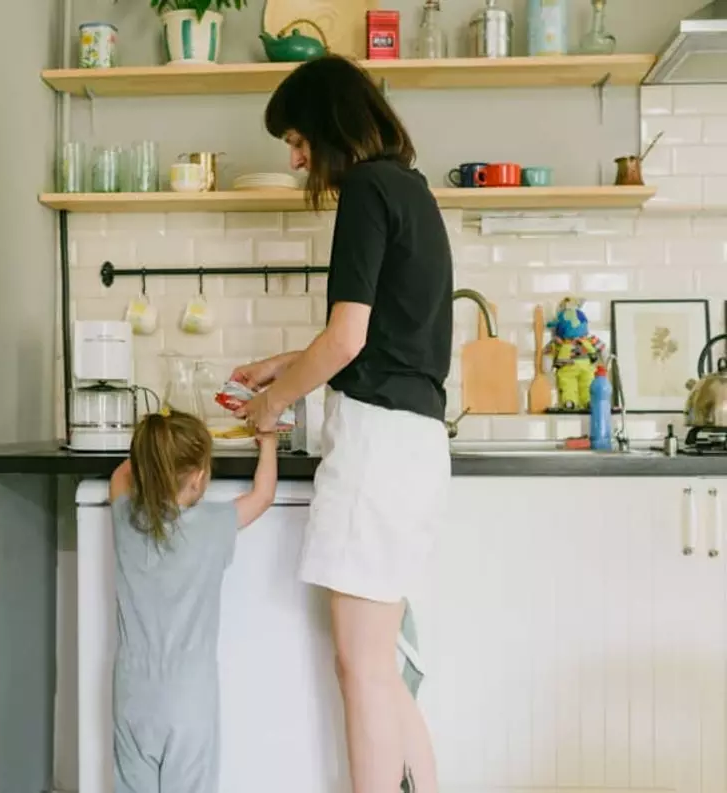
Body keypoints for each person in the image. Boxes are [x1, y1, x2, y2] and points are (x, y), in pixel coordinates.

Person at [232, 54, 452, 793]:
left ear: (327, 125)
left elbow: (348, 340)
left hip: (378, 447)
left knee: (359, 668)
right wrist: (284, 363)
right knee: (378, 666)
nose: (296, 158)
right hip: (415, 444)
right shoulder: (411, 191)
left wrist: (272, 403)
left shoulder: (364, 190)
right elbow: (383, 337)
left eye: (296, 139)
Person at [108, 410, 277, 793]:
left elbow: (121, 475)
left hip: (132, 697)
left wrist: (154, 452)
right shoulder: (214, 526)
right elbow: (263, 495)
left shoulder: (124, 520)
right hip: (189, 700)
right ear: (199, 479)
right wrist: (267, 439)